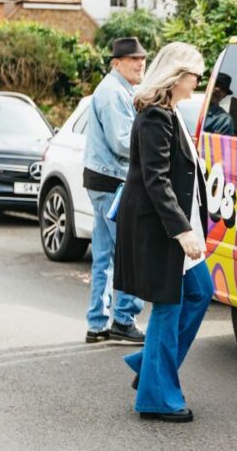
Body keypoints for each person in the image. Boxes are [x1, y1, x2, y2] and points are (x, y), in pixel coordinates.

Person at [113, 42, 213, 423]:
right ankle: (156, 397)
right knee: (169, 306)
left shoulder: (171, 112)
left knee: (200, 292)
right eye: (194, 75)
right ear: (176, 75)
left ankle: (149, 362)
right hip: (161, 230)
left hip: (176, 227)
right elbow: (155, 180)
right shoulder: (155, 115)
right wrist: (183, 231)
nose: (197, 82)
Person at [82, 37, 146, 344]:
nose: (140, 63)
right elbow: (122, 142)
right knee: (130, 254)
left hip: (102, 179)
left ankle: (97, 323)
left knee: (105, 255)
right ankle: (123, 319)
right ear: (116, 63)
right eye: (133, 59)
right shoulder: (113, 93)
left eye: (142, 58)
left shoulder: (119, 90)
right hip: (112, 181)